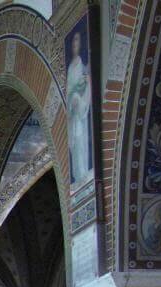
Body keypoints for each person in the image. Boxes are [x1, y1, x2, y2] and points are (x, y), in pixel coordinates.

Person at [66, 28, 94, 186]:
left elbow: (83, 86)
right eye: (73, 40)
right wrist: (72, 98)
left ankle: (83, 174)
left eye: (77, 40)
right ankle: (78, 176)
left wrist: (78, 95)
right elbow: (69, 90)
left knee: (81, 141)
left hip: (79, 113)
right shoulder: (70, 66)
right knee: (75, 143)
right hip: (72, 111)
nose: (74, 43)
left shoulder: (81, 66)